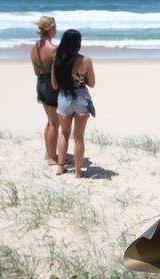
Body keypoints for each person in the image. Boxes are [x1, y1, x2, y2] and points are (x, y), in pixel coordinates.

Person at [51, 29, 96, 178]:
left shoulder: (57, 60)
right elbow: (92, 83)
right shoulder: (86, 60)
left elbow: (55, 85)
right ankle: (77, 172)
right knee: (79, 137)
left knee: (64, 134)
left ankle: (60, 167)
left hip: (64, 98)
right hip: (81, 98)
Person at [30, 16, 58, 166]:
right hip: (50, 85)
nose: (57, 30)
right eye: (56, 27)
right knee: (55, 123)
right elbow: (55, 75)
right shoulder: (53, 50)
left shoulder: (34, 47)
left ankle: (49, 153)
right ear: (51, 29)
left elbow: (36, 71)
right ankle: (53, 158)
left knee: (49, 121)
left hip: (40, 83)